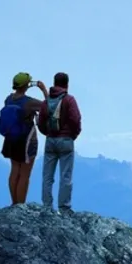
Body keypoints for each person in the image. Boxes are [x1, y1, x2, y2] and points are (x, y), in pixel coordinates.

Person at [0, 72, 48, 206]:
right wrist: (43, 89)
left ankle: (14, 202)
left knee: (15, 170)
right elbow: (49, 107)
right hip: (27, 140)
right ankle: (21, 205)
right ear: (27, 85)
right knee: (25, 174)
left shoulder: (8, 99)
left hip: (11, 139)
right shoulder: (29, 102)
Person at [38, 72, 82, 212]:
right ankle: (64, 207)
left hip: (50, 141)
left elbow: (41, 122)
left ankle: (47, 206)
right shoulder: (70, 100)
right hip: (66, 141)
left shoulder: (47, 101)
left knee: (47, 176)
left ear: (54, 83)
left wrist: (48, 133)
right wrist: (72, 135)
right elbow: (76, 120)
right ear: (67, 84)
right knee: (66, 176)